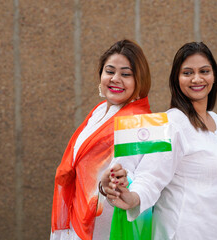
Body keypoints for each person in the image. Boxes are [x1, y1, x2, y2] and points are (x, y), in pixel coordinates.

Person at [103, 42, 217, 240]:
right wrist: (133, 198)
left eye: (204, 71)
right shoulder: (172, 122)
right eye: (187, 72)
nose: (196, 78)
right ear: (176, 79)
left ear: (214, 76)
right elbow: (150, 175)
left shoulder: (216, 120)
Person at [50, 39, 151, 240]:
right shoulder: (98, 112)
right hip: (76, 213)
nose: (115, 79)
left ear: (139, 80)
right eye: (110, 71)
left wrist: (111, 184)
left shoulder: (138, 122)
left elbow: (133, 174)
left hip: (104, 222)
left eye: (126, 74)